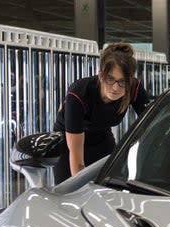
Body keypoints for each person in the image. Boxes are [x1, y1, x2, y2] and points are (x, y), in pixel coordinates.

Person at [53, 43, 148, 183]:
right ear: (100, 75)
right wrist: (80, 189)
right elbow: (76, 152)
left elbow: (153, 122)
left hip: (101, 137)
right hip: (69, 143)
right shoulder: (79, 93)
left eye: (123, 81)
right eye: (110, 79)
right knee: (69, 190)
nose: (116, 87)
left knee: (111, 184)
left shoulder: (134, 88)